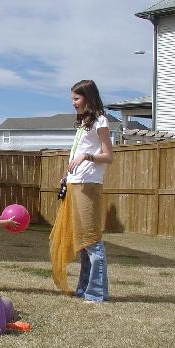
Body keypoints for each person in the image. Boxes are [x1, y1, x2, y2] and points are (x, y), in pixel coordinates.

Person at [50, 79, 114, 303]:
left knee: (91, 239)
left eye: (77, 98)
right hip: (76, 183)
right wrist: (68, 177)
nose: (73, 103)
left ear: (88, 97)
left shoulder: (100, 121)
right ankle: (84, 289)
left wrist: (86, 157)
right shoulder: (83, 124)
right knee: (83, 240)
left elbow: (108, 156)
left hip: (89, 185)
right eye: (72, 99)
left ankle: (97, 293)